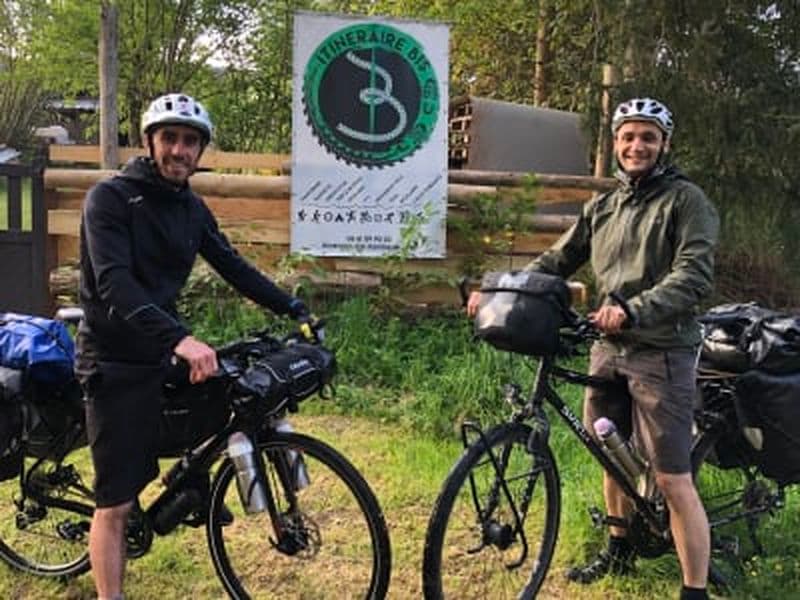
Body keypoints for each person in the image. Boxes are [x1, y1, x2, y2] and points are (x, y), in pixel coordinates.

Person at [468, 97, 719, 600]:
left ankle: (693, 590)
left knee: (671, 478)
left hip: (661, 349)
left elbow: (693, 275)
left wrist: (634, 308)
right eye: (628, 136)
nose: (636, 145)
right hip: (607, 347)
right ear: (615, 143)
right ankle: (618, 549)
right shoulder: (604, 205)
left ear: (663, 144)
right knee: (608, 451)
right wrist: (500, 289)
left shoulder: (687, 202)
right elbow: (558, 258)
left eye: (648, 136)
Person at [75, 92, 310, 600]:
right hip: (112, 359)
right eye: (170, 138)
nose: (179, 150)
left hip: (159, 350)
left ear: (200, 150)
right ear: (150, 142)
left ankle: (188, 489)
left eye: (189, 141)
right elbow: (116, 286)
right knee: (114, 503)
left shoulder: (191, 209)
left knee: (228, 395)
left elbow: (234, 267)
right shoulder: (110, 199)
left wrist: (291, 307)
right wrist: (182, 338)